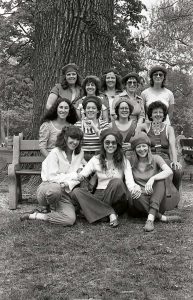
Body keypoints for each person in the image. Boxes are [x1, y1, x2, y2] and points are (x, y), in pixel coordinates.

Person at [71, 128, 138, 227]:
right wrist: (77, 177)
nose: (110, 145)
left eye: (113, 143)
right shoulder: (95, 160)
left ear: (117, 144)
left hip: (117, 197)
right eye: (107, 142)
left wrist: (134, 189)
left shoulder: (124, 161)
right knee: (76, 192)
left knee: (116, 182)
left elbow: (129, 181)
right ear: (103, 144)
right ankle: (110, 213)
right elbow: (83, 174)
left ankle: (96, 212)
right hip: (99, 195)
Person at [20, 126, 85, 226]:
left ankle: (35, 215)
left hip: (65, 192)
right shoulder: (55, 152)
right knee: (55, 188)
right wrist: (74, 175)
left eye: (78, 139)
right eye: (72, 138)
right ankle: (46, 206)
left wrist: (71, 180)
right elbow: (52, 178)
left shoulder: (79, 153)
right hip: (47, 188)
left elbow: (80, 176)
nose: (75, 142)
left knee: (70, 220)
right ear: (65, 137)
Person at [128, 132, 181, 232]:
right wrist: (135, 186)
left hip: (157, 198)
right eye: (138, 147)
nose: (142, 149)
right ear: (134, 149)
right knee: (135, 194)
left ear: (148, 147)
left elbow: (168, 171)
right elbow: (126, 177)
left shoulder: (156, 158)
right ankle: (161, 217)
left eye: (144, 146)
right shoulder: (129, 160)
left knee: (160, 180)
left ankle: (150, 219)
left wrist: (153, 179)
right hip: (140, 200)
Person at [136, 101, 182, 190]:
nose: (158, 114)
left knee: (178, 171)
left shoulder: (169, 128)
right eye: (155, 112)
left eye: (160, 112)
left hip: (165, 158)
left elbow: (172, 146)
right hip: (151, 157)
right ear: (151, 115)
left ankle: (174, 193)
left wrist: (175, 161)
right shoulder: (145, 126)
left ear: (164, 115)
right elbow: (137, 133)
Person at [75, 95, 109, 161]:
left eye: (93, 108)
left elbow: (106, 139)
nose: (90, 110)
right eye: (88, 108)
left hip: (99, 157)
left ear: (98, 111)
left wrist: (94, 126)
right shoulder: (77, 125)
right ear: (84, 110)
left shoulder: (104, 125)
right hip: (81, 158)